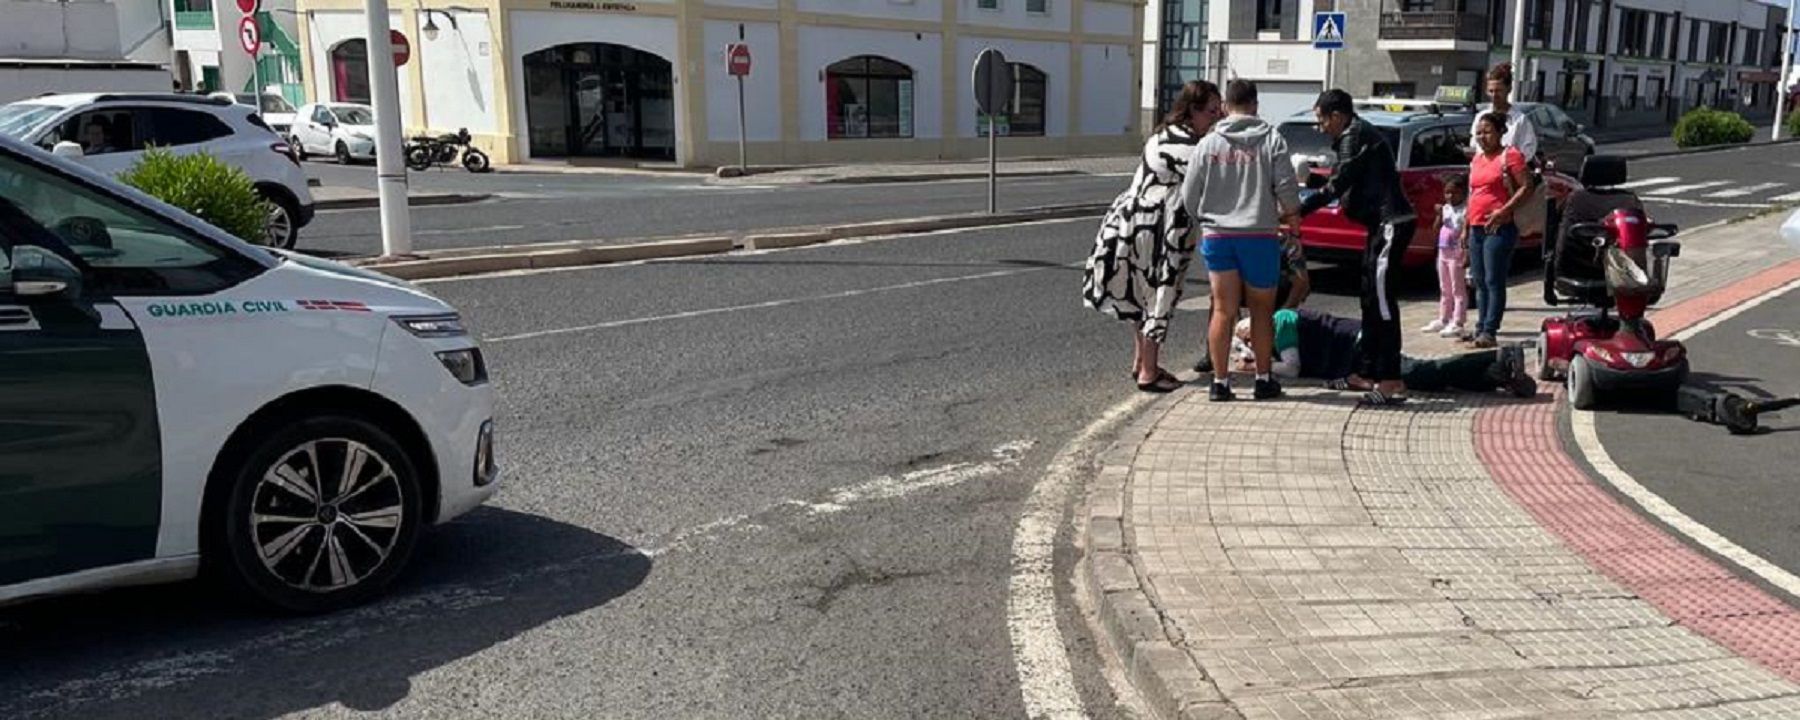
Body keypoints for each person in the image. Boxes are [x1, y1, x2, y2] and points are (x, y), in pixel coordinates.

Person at [1083, 80, 1224, 393]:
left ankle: (1142, 363)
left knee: (1143, 294)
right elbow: (1211, 185)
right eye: (1212, 111)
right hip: (1159, 229)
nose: (1217, 117)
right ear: (1193, 110)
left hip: (1136, 223)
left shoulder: (1165, 133)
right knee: (1161, 294)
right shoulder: (1188, 144)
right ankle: (1148, 371)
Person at [1180, 79, 1302, 403]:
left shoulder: (1208, 143)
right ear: (1255, 105)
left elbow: (1189, 195)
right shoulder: (1272, 139)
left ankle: (1220, 383)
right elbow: (1287, 187)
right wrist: (1292, 216)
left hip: (1219, 237)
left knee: (1222, 310)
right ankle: (1263, 380)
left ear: (1225, 106)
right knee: (1262, 310)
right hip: (1260, 235)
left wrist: (1205, 218)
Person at [1298, 89, 1414, 405]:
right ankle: (1363, 372)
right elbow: (1342, 178)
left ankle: (1391, 380)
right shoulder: (1355, 134)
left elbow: (1339, 184)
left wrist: (1298, 213)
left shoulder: (1355, 135)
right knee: (1367, 297)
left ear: (1336, 116)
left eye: (1321, 119)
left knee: (1382, 301)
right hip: (1379, 225)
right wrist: (1310, 185)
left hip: (1391, 222)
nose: (1320, 127)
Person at [1228, 310, 1537, 399]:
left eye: (1250, 340)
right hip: (1360, 341)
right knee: (1423, 380)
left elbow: (1293, 369)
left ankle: (1497, 358)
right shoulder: (1278, 325)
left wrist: (1258, 366)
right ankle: (1491, 376)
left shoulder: (1281, 324)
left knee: (1416, 372)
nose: (1253, 345)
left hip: (1362, 344)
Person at [1467, 112, 1533, 348]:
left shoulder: (1510, 156)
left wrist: (1503, 211)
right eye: (1479, 133)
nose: (1482, 137)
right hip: (1476, 226)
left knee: (1494, 279)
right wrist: (1465, 226)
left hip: (1500, 226)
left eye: (1487, 132)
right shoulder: (1477, 159)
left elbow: (1526, 187)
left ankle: (1490, 329)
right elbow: (1473, 193)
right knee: (1479, 280)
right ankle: (1480, 326)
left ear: (1500, 132)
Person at [1423, 175, 1470, 338]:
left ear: (1463, 193)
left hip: (1456, 252)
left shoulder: (1466, 210)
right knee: (1444, 287)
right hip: (1443, 251)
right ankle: (1444, 318)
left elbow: (1465, 233)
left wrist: (1466, 253)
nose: (1450, 196)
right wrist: (1438, 214)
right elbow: (1437, 228)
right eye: (1447, 193)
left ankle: (1458, 321)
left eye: (1454, 193)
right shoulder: (1446, 208)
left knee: (1458, 288)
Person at [1468, 63, 1539, 164]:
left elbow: (1527, 152)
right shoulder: (1480, 118)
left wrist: (1510, 166)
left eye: (1498, 91)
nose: (1494, 95)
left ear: (1509, 89)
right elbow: (1475, 148)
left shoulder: (1520, 121)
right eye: (1491, 91)